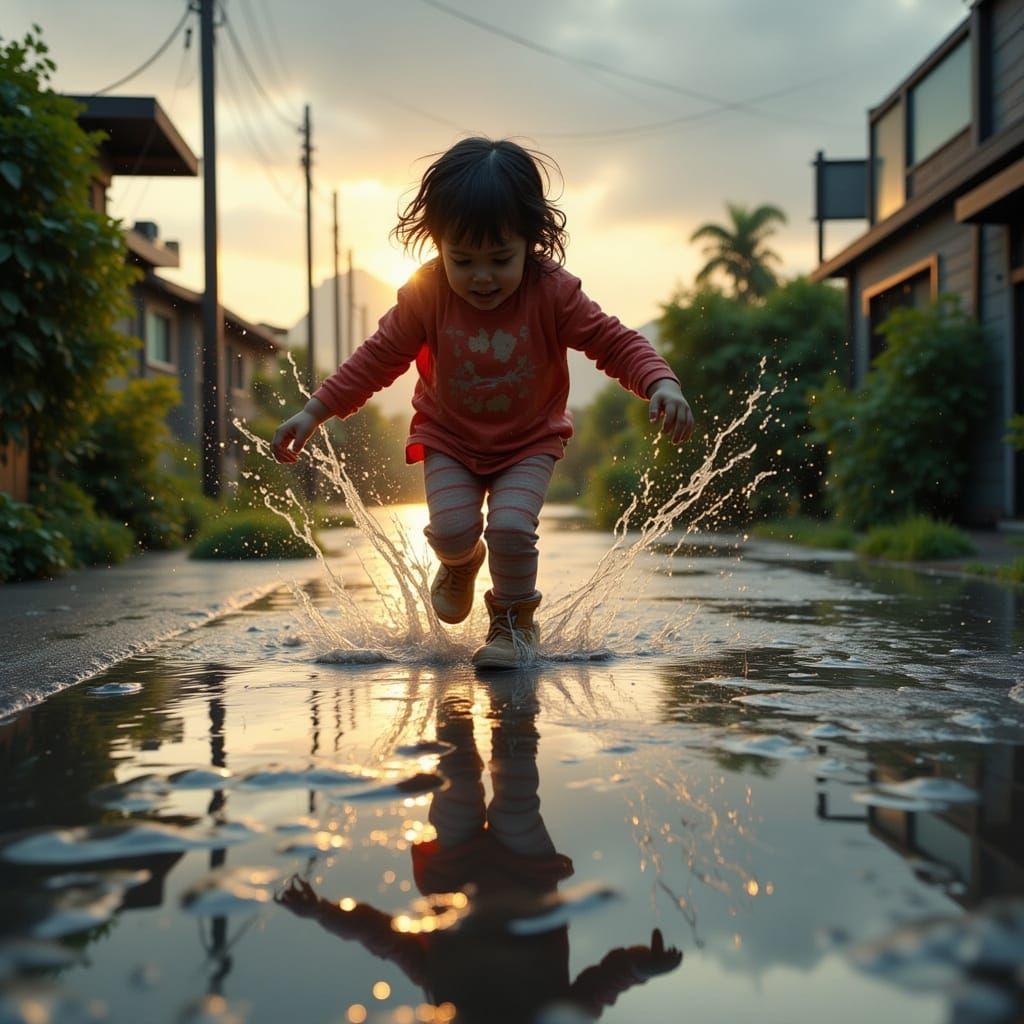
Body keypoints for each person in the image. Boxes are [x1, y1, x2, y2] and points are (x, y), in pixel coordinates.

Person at [272, 137, 694, 669]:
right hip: (448, 438)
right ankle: (460, 561)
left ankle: (512, 627)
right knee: (452, 529)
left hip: (529, 441)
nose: (482, 277)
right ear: (438, 245)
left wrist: (660, 383)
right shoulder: (425, 295)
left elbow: (614, 341)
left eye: (500, 259)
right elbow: (376, 358)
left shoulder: (553, 293)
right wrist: (314, 412)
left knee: (512, 529)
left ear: (531, 243)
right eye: (463, 260)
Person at [276, 675, 683, 1021]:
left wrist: (321, 911)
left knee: (455, 781)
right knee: (516, 803)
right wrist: (640, 967)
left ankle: (451, 696)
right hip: (526, 871)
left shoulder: (441, 993)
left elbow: (382, 938)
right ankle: (515, 708)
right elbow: (602, 986)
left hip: (454, 867)